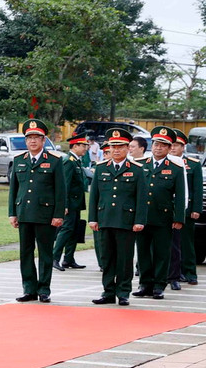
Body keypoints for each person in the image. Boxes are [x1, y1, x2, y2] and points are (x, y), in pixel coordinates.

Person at [8, 119, 66, 303]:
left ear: (43, 140)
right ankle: (29, 288)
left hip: (45, 215)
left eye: (36, 138)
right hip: (24, 213)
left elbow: (60, 191)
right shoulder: (19, 160)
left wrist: (58, 215)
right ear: (25, 141)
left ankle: (44, 289)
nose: (32, 141)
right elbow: (13, 190)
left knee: (45, 253)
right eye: (29, 138)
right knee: (25, 253)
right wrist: (12, 213)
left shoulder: (55, 161)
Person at [89, 128, 147, 306]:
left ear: (127, 148)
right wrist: (93, 218)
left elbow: (141, 198)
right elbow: (94, 196)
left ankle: (123, 292)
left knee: (124, 259)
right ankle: (108, 291)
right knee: (107, 258)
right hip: (105, 219)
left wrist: (139, 220)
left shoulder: (137, 170)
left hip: (126, 221)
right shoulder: (100, 168)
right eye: (113, 147)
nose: (116, 150)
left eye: (120, 147)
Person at [134, 126, 186, 300]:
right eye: (156, 144)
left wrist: (179, 218)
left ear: (170, 148)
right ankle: (145, 284)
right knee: (143, 252)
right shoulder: (140, 165)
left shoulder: (176, 168)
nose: (158, 148)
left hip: (163, 217)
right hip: (142, 217)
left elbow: (180, 195)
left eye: (163, 145)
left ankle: (158, 286)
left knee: (162, 253)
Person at [53, 135, 89, 271]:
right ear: (75, 146)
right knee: (66, 229)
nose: (85, 148)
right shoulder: (69, 161)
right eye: (82, 146)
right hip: (70, 204)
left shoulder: (76, 161)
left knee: (74, 230)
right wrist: (65, 205)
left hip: (76, 203)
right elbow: (65, 185)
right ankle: (55, 257)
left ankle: (68, 259)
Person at [171, 130, 202, 287]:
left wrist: (196, 209)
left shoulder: (193, 164)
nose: (173, 148)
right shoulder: (165, 163)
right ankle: (173, 274)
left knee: (187, 243)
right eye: (171, 145)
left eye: (177, 145)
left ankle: (189, 272)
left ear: (183, 147)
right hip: (167, 210)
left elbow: (197, 188)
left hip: (185, 210)